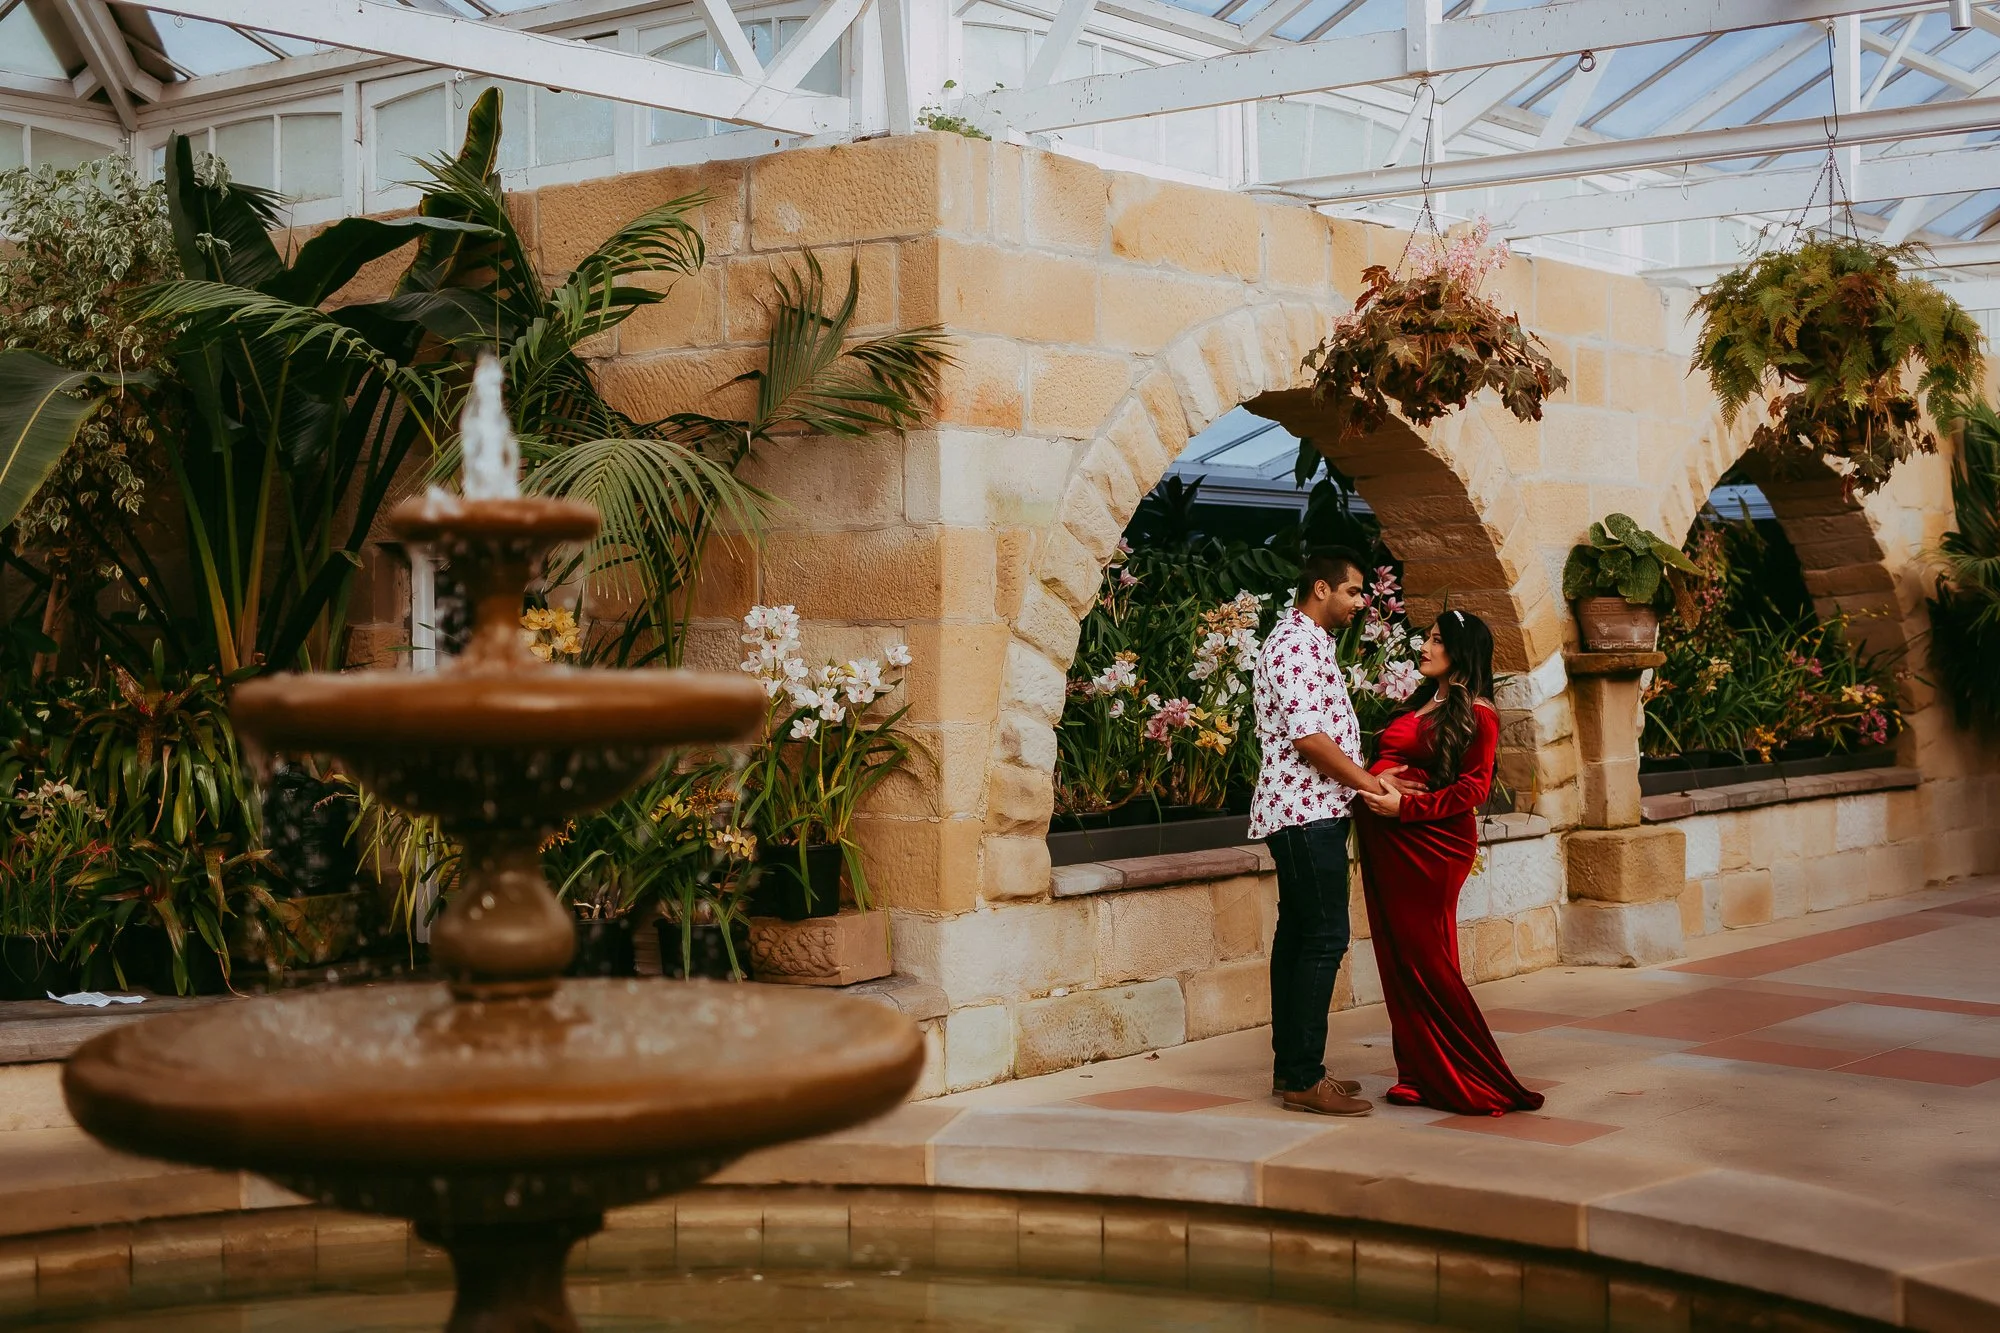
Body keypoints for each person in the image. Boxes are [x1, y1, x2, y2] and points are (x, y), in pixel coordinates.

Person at [1356, 609, 1544, 1117]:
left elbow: (1473, 789)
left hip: (1431, 846)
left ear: (1460, 652)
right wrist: (1379, 781)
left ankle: (1478, 1075)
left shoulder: (1478, 714)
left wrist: (1405, 805)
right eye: (1427, 637)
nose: (1425, 646)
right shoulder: (1421, 702)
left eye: (1437, 640)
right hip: (1388, 843)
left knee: (1427, 960)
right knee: (1397, 960)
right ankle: (1417, 1074)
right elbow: (1397, 761)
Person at [1250, 550, 1412, 1117]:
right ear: (1321, 587)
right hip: (1303, 813)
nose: (1360, 602)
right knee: (1322, 938)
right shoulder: (1295, 644)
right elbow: (1310, 740)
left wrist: (1369, 774)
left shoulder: (1310, 642)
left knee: (1297, 938)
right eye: (1352, 592)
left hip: (1311, 810)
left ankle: (1292, 1068)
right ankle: (1303, 1077)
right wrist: (1368, 782)